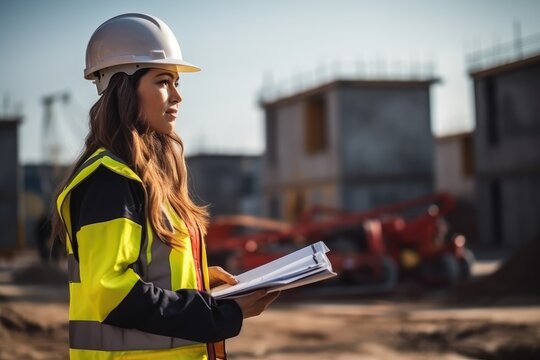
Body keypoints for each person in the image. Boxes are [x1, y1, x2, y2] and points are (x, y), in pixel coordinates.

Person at [50, 13, 279, 360]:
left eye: (177, 83)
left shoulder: (145, 178)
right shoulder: (109, 181)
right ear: (122, 88)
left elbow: (150, 271)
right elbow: (111, 292)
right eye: (162, 81)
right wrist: (221, 313)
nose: (177, 96)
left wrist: (201, 280)